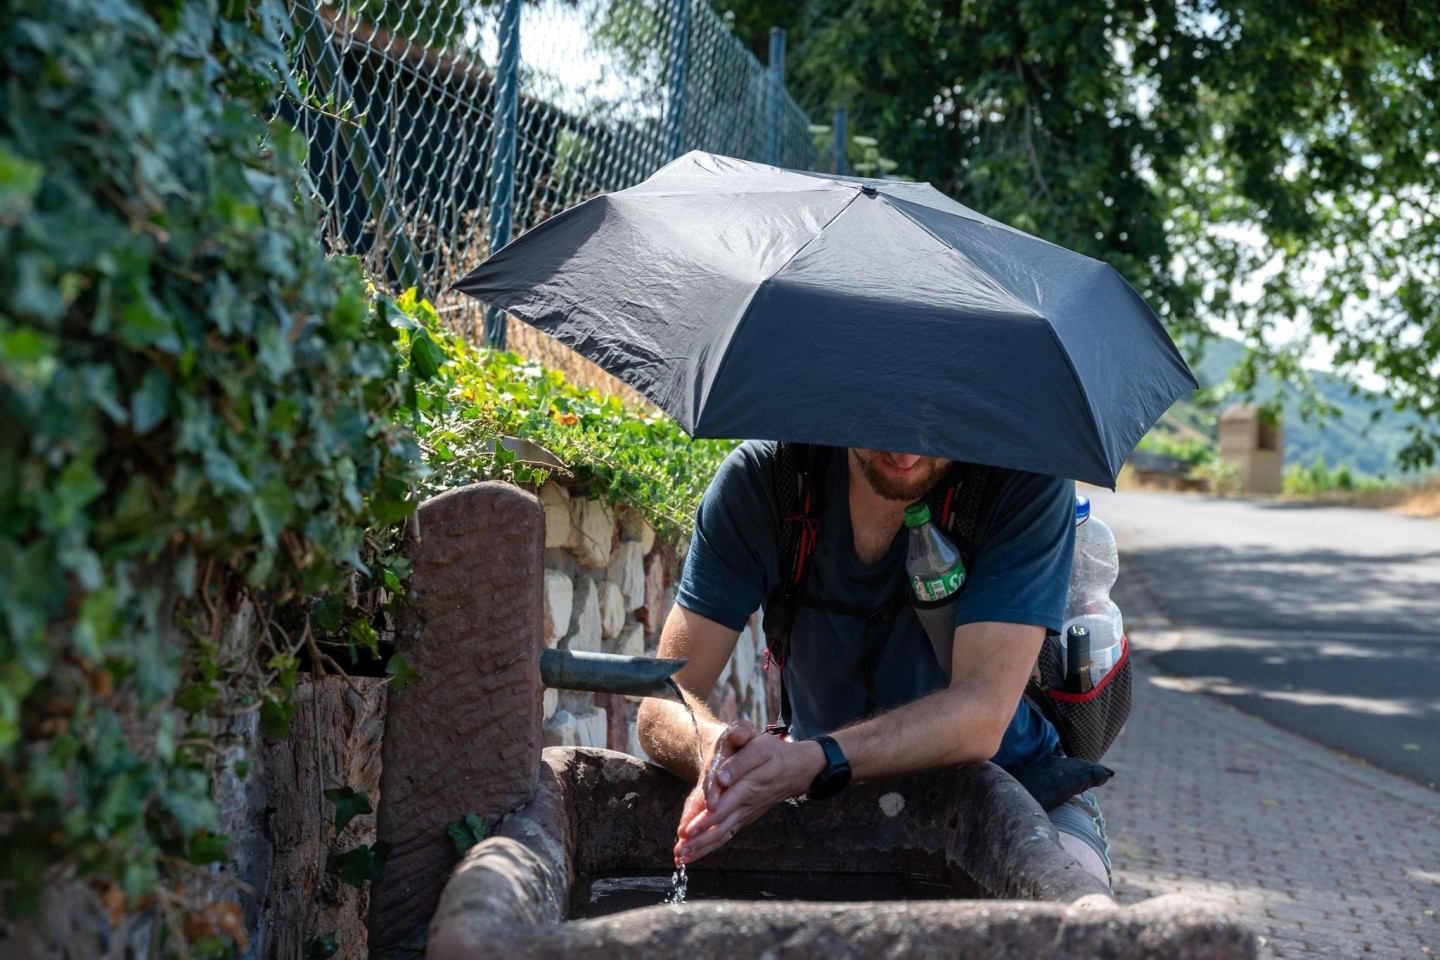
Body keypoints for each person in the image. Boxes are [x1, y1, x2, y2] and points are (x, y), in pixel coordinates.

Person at [635, 442, 1111, 884]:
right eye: (883, 421)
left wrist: (815, 759)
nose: (905, 452)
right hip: (825, 795)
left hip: (1018, 787)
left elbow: (981, 715)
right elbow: (663, 701)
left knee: (1076, 915)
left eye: (935, 425)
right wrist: (719, 758)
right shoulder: (767, 482)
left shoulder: (1025, 482)